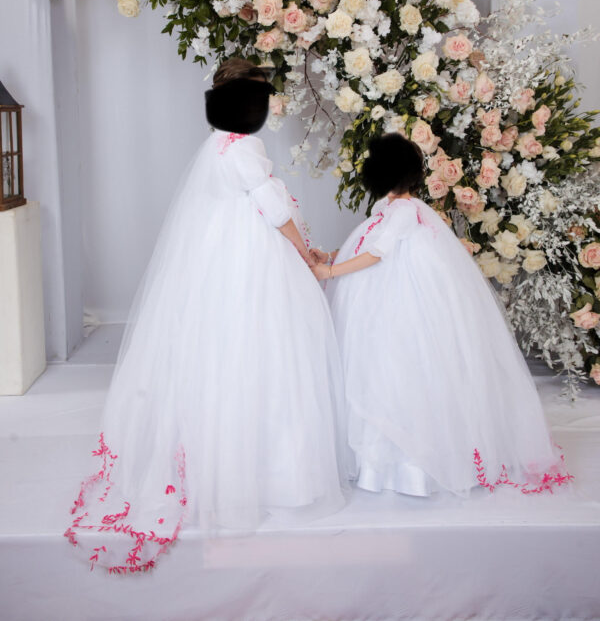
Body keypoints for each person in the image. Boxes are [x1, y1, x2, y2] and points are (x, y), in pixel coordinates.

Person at [65, 58, 349, 574]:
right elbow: (275, 210)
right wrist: (305, 255)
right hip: (251, 258)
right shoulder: (247, 148)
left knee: (220, 348)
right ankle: (268, 473)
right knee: (265, 348)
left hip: (217, 253)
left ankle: (215, 458)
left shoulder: (217, 146)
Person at [312, 134, 570, 499]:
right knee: (384, 365)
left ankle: (406, 464)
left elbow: (379, 252)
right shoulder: (393, 207)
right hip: (382, 291)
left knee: (395, 365)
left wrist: (331, 274)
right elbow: (368, 244)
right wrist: (336, 256)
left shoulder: (403, 211)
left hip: (396, 298)